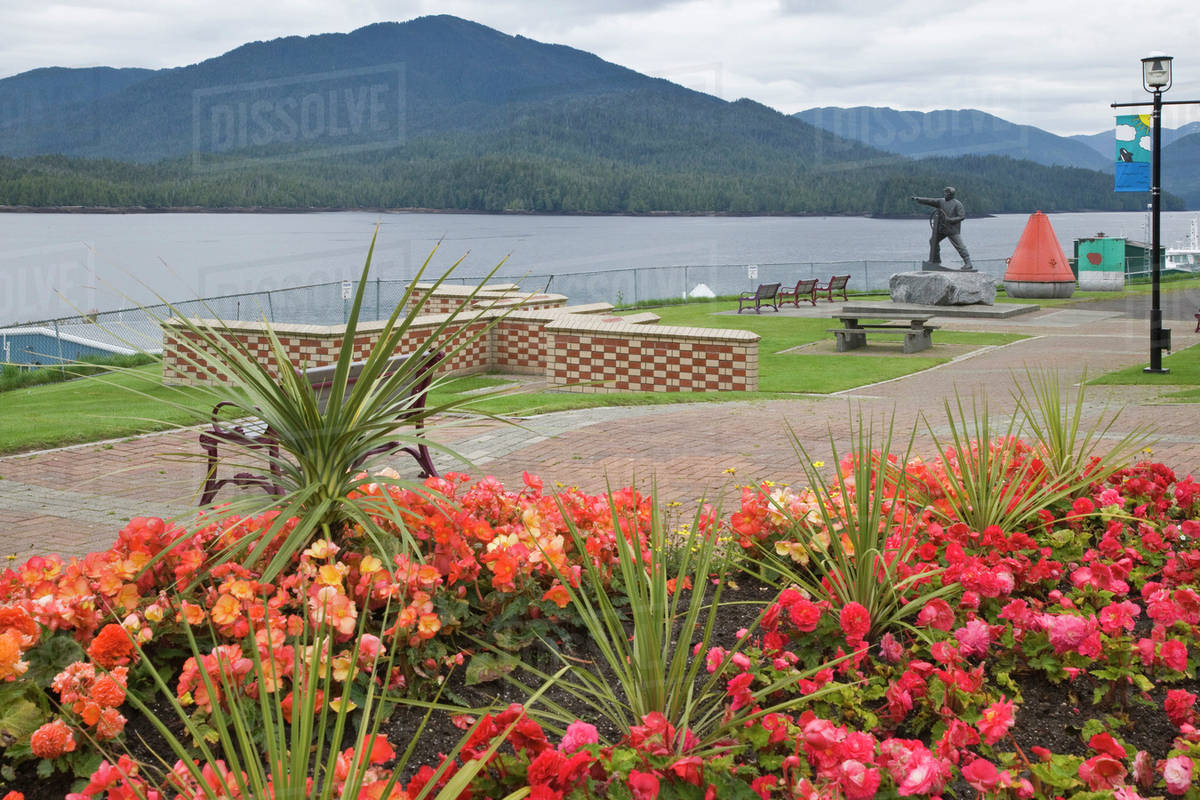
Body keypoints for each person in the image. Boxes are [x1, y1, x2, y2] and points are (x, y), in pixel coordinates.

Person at [911, 187, 974, 270]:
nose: (945, 195)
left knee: (960, 246)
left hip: (952, 230)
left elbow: (962, 216)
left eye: (947, 193)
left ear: (951, 194)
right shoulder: (941, 201)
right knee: (933, 241)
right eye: (945, 193)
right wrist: (918, 199)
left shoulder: (957, 204)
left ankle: (968, 263)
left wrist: (951, 220)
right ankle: (935, 259)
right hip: (942, 229)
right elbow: (930, 201)